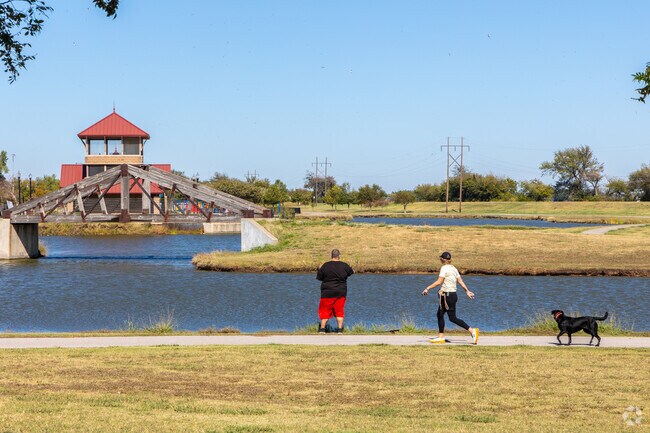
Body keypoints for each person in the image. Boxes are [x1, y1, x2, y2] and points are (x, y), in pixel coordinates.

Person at [421, 251, 479, 345]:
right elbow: (460, 281)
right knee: (440, 314)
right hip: (452, 295)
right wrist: (467, 291)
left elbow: (439, 282)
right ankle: (440, 337)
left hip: (447, 296)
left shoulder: (444, 268)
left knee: (452, 318)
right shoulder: (454, 269)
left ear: (443, 260)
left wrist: (427, 288)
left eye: (441, 259)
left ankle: (472, 331)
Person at [316, 249, 354, 333]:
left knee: (325, 309)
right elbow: (351, 272)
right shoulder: (344, 265)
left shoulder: (325, 265)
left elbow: (319, 278)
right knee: (339, 310)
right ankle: (340, 330)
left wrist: (319, 269)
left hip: (327, 292)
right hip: (341, 291)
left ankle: (322, 329)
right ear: (339, 255)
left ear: (331, 255)